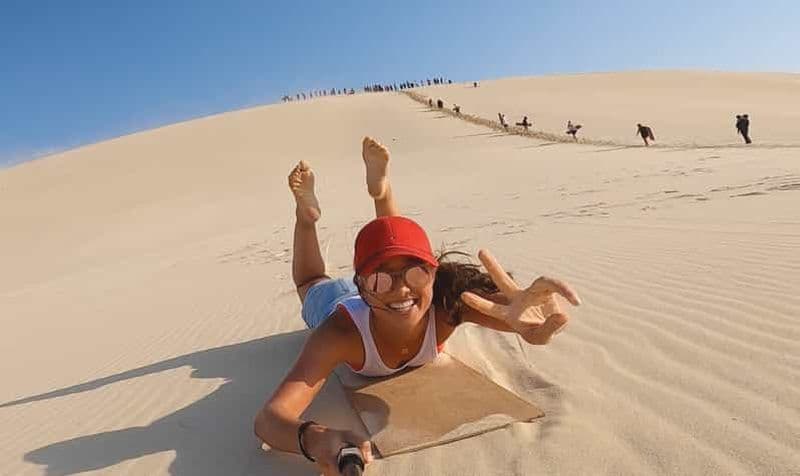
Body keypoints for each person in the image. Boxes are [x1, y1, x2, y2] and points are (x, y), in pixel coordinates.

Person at [253, 137, 581, 475]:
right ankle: (306, 217)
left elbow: (512, 313)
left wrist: (526, 322)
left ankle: (382, 192)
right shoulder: (339, 333)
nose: (401, 288)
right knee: (310, 282)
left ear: (434, 274)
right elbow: (268, 421)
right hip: (335, 302)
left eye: (417, 272)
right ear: (361, 286)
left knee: (394, 245)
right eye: (381, 278)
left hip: (378, 295)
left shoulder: (448, 306)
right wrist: (316, 438)